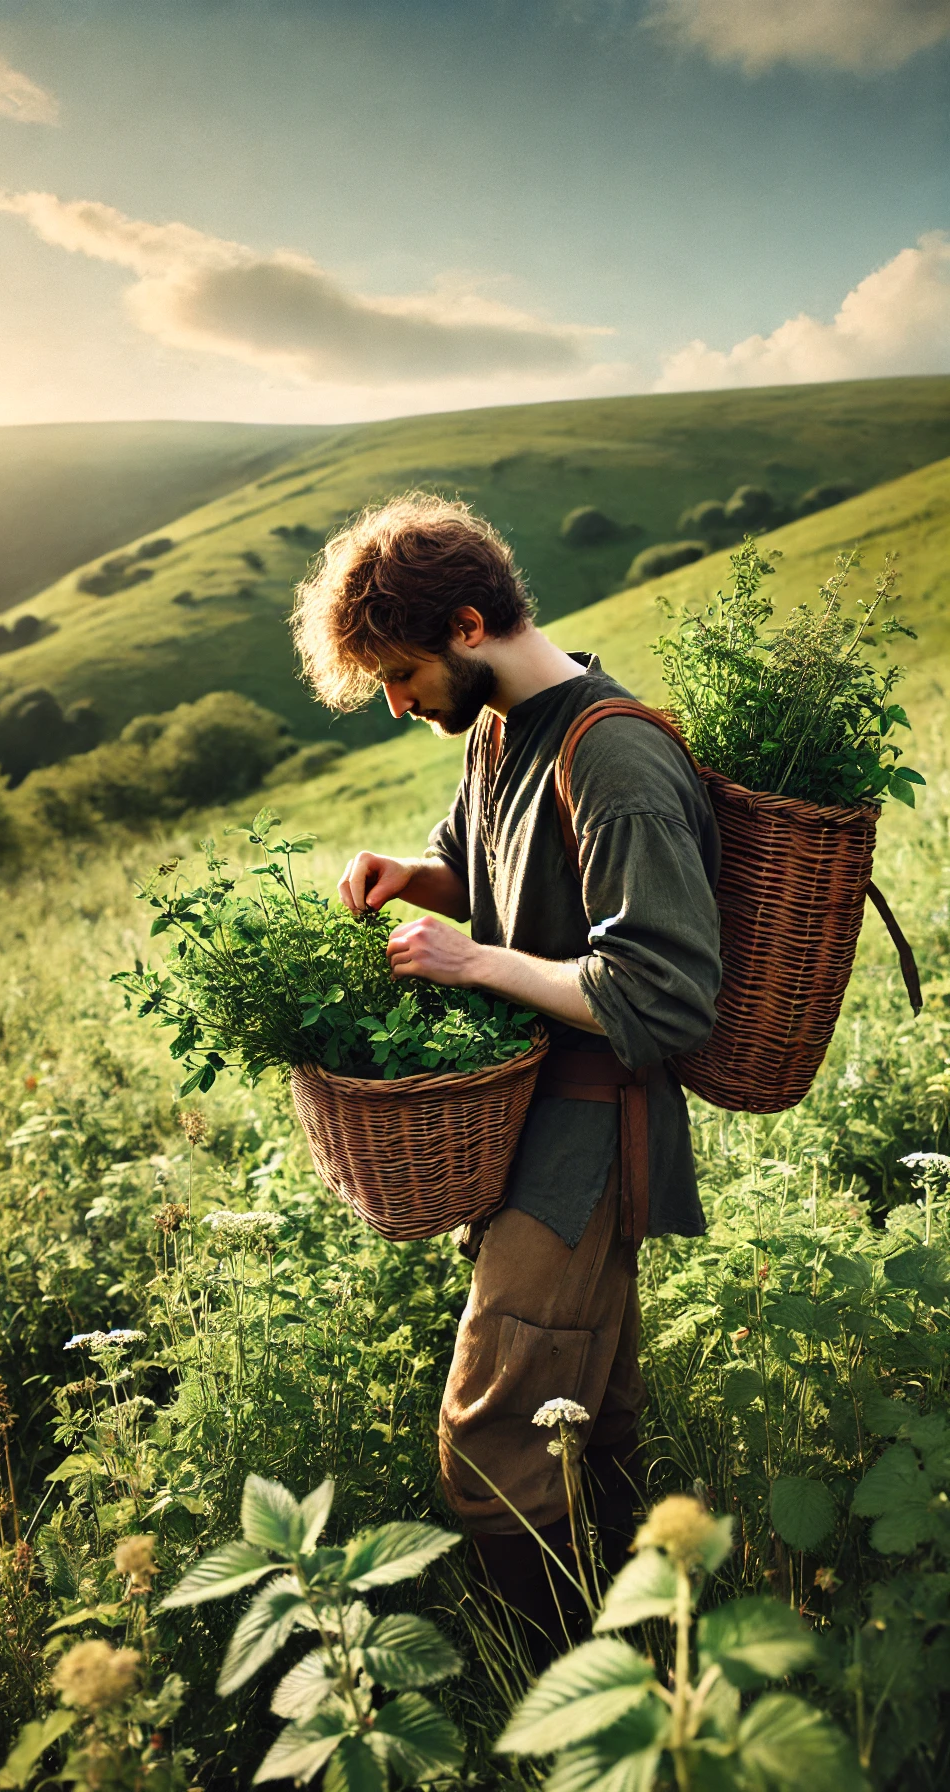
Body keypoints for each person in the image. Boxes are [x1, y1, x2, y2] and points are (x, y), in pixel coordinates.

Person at [292, 492, 722, 1655]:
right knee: (592, 1429)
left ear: (469, 624)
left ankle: (542, 1701)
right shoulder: (495, 730)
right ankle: (647, 1663)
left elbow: (665, 995)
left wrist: (474, 957)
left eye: (399, 674)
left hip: (587, 1135)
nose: (396, 703)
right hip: (533, 1131)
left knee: (491, 1450)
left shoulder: (616, 755)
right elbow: (473, 859)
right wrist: (412, 876)